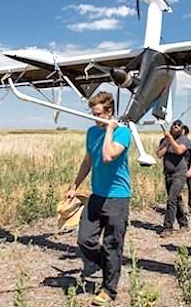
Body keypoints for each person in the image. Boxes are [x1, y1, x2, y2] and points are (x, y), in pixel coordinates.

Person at [64, 91, 131, 306]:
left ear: (109, 112)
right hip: (96, 196)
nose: (95, 118)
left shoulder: (123, 133)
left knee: (113, 244)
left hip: (117, 198)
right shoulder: (92, 132)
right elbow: (88, 161)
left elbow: (108, 155)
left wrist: (110, 129)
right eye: (93, 114)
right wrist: (75, 186)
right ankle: (111, 266)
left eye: (99, 114)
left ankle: (109, 289)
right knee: (85, 239)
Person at [156, 119, 191, 238]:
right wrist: (168, 142)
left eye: (179, 125)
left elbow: (179, 150)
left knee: (171, 199)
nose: (176, 126)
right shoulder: (164, 141)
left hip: (180, 174)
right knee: (176, 200)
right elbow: (159, 154)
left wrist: (170, 140)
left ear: (182, 129)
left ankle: (167, 227)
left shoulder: (183, 140)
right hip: (168, 174)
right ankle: (184, 223)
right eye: (174, 125)